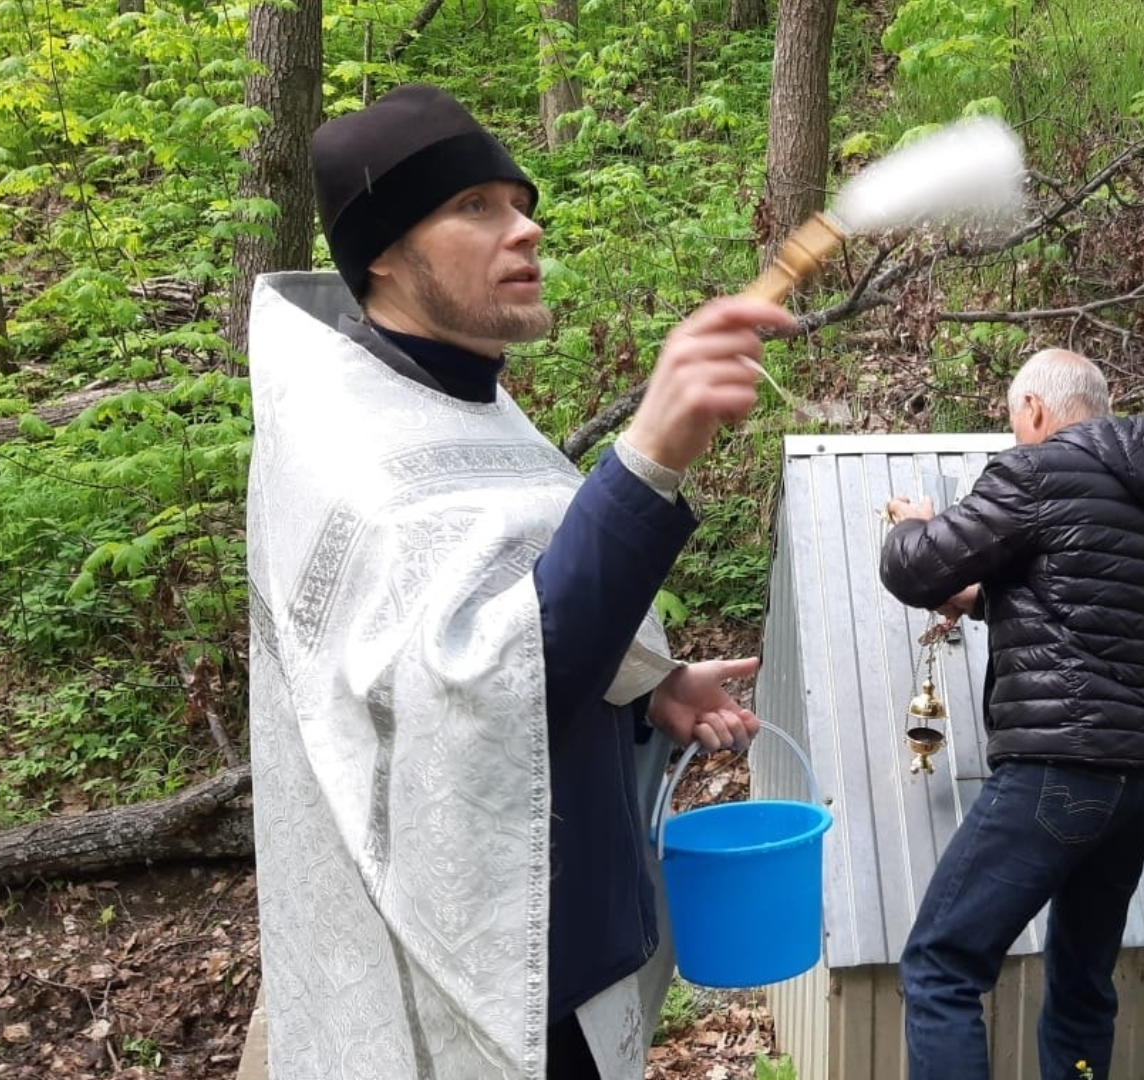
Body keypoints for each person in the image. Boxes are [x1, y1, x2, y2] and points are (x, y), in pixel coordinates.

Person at [243, 83, 795, 1080]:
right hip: (471, 990)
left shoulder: (474, 406)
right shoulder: (345, 448)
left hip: (570, 963)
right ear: (381, 252)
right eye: (475, 206)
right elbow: (465, 684)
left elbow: (524, 616)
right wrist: (648, 458)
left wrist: (646, 684)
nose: (526, 228)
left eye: (521, 203)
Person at [877, 349, 1144, 1080]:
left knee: (940, 966)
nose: (1015, 433)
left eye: (1013, 419)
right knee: (1083, 984)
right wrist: (981, 602)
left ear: (1034, 409)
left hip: (1059, 770)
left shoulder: (1038, 470)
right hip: (1140, 779)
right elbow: (1076, 601)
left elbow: (918, 567)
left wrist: (911, 525)